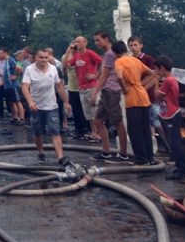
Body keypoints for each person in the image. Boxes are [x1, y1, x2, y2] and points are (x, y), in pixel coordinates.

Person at [20, 49, 72, 165]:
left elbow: (58, 86)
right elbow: (24, 87)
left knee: (55, 131)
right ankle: (41, 152)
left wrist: (66, 102)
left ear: (49, 58)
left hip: (51, 105)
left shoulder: (53, 69)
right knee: (38, 132)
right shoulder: (30, 69)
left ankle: (60, 157)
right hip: (36, 106)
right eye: (41, 57)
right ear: (36, 58)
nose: (43, 60)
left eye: (45, 57)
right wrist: (30, 101)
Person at [112, 40, 156, 165]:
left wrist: (125, 89)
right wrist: (141, 84)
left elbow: (119, 76)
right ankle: (150, 157)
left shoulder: (119, 61)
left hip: (133, 99)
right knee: (145, 129)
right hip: (143, 97)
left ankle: (141, 159)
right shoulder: (136, 60)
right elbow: (151, 73)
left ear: (115, 53)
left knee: (134, 130)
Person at [154, 55, 185, 183]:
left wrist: (156, 81)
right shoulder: (170, 80)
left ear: (162, 68)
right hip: (166, 114)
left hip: (171, 115)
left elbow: (157, 96)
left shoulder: (168, 81)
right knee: (172, 144)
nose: (156, 72)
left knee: (175, 144)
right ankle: (179, 169)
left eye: (157, 69)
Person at [90, 31, 129, 163]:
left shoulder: (109, 54)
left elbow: (104, 76)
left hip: (111, 91)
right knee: (98, 121)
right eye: (95, 41)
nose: (96, 43)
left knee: (118, 122)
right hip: (108, 91)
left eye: (98, 40)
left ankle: (123, 154)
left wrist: (94, 93)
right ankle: (106, 151)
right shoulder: (111, 54)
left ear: (106, 39)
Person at [129, 35, 168, 154]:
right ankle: (152, 149)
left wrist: (141, 87)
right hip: (137, 97)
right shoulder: (130, 60)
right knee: (147, 124)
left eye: (135, 45)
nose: (133, 48)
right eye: (131, 45)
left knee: (156, 123)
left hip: (148, 96)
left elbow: (155, 75)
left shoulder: (148, 59)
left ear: (141, 45)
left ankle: (168, 147)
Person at [65, 35, 102, 142]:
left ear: (85, 42)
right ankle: (93, 133)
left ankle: (99, 134)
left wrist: (96, 75)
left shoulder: (90, 53)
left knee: (95, 111)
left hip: (91, 87)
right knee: (88, 113)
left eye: (79, 42)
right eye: (76, 42)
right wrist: (69, 51)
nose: (77, 44)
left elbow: (102, 61)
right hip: (81, 88)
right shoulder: (76, 56)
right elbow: (66, 65)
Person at [61, 46, 90, 140]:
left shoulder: (82, 56)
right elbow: (64, 66)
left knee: (85, 109)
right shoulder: (66, 56)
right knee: (76, 110)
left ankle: (88, 129)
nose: (75, 49)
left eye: (76, 47)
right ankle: (79, 130)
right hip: (72, 87)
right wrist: (68, 50)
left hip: (83, 86)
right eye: (73, 47)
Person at [0, 49, 24, 125]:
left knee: (17, 101)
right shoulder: (5, 61)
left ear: (5, 53)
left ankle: (21, 118)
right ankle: (15, 117)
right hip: (7, 85)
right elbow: (5, 73)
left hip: (13, 85)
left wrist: (16, 76)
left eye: (1, 53)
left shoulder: (10, 60)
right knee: (11, 102)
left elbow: (18, 68)